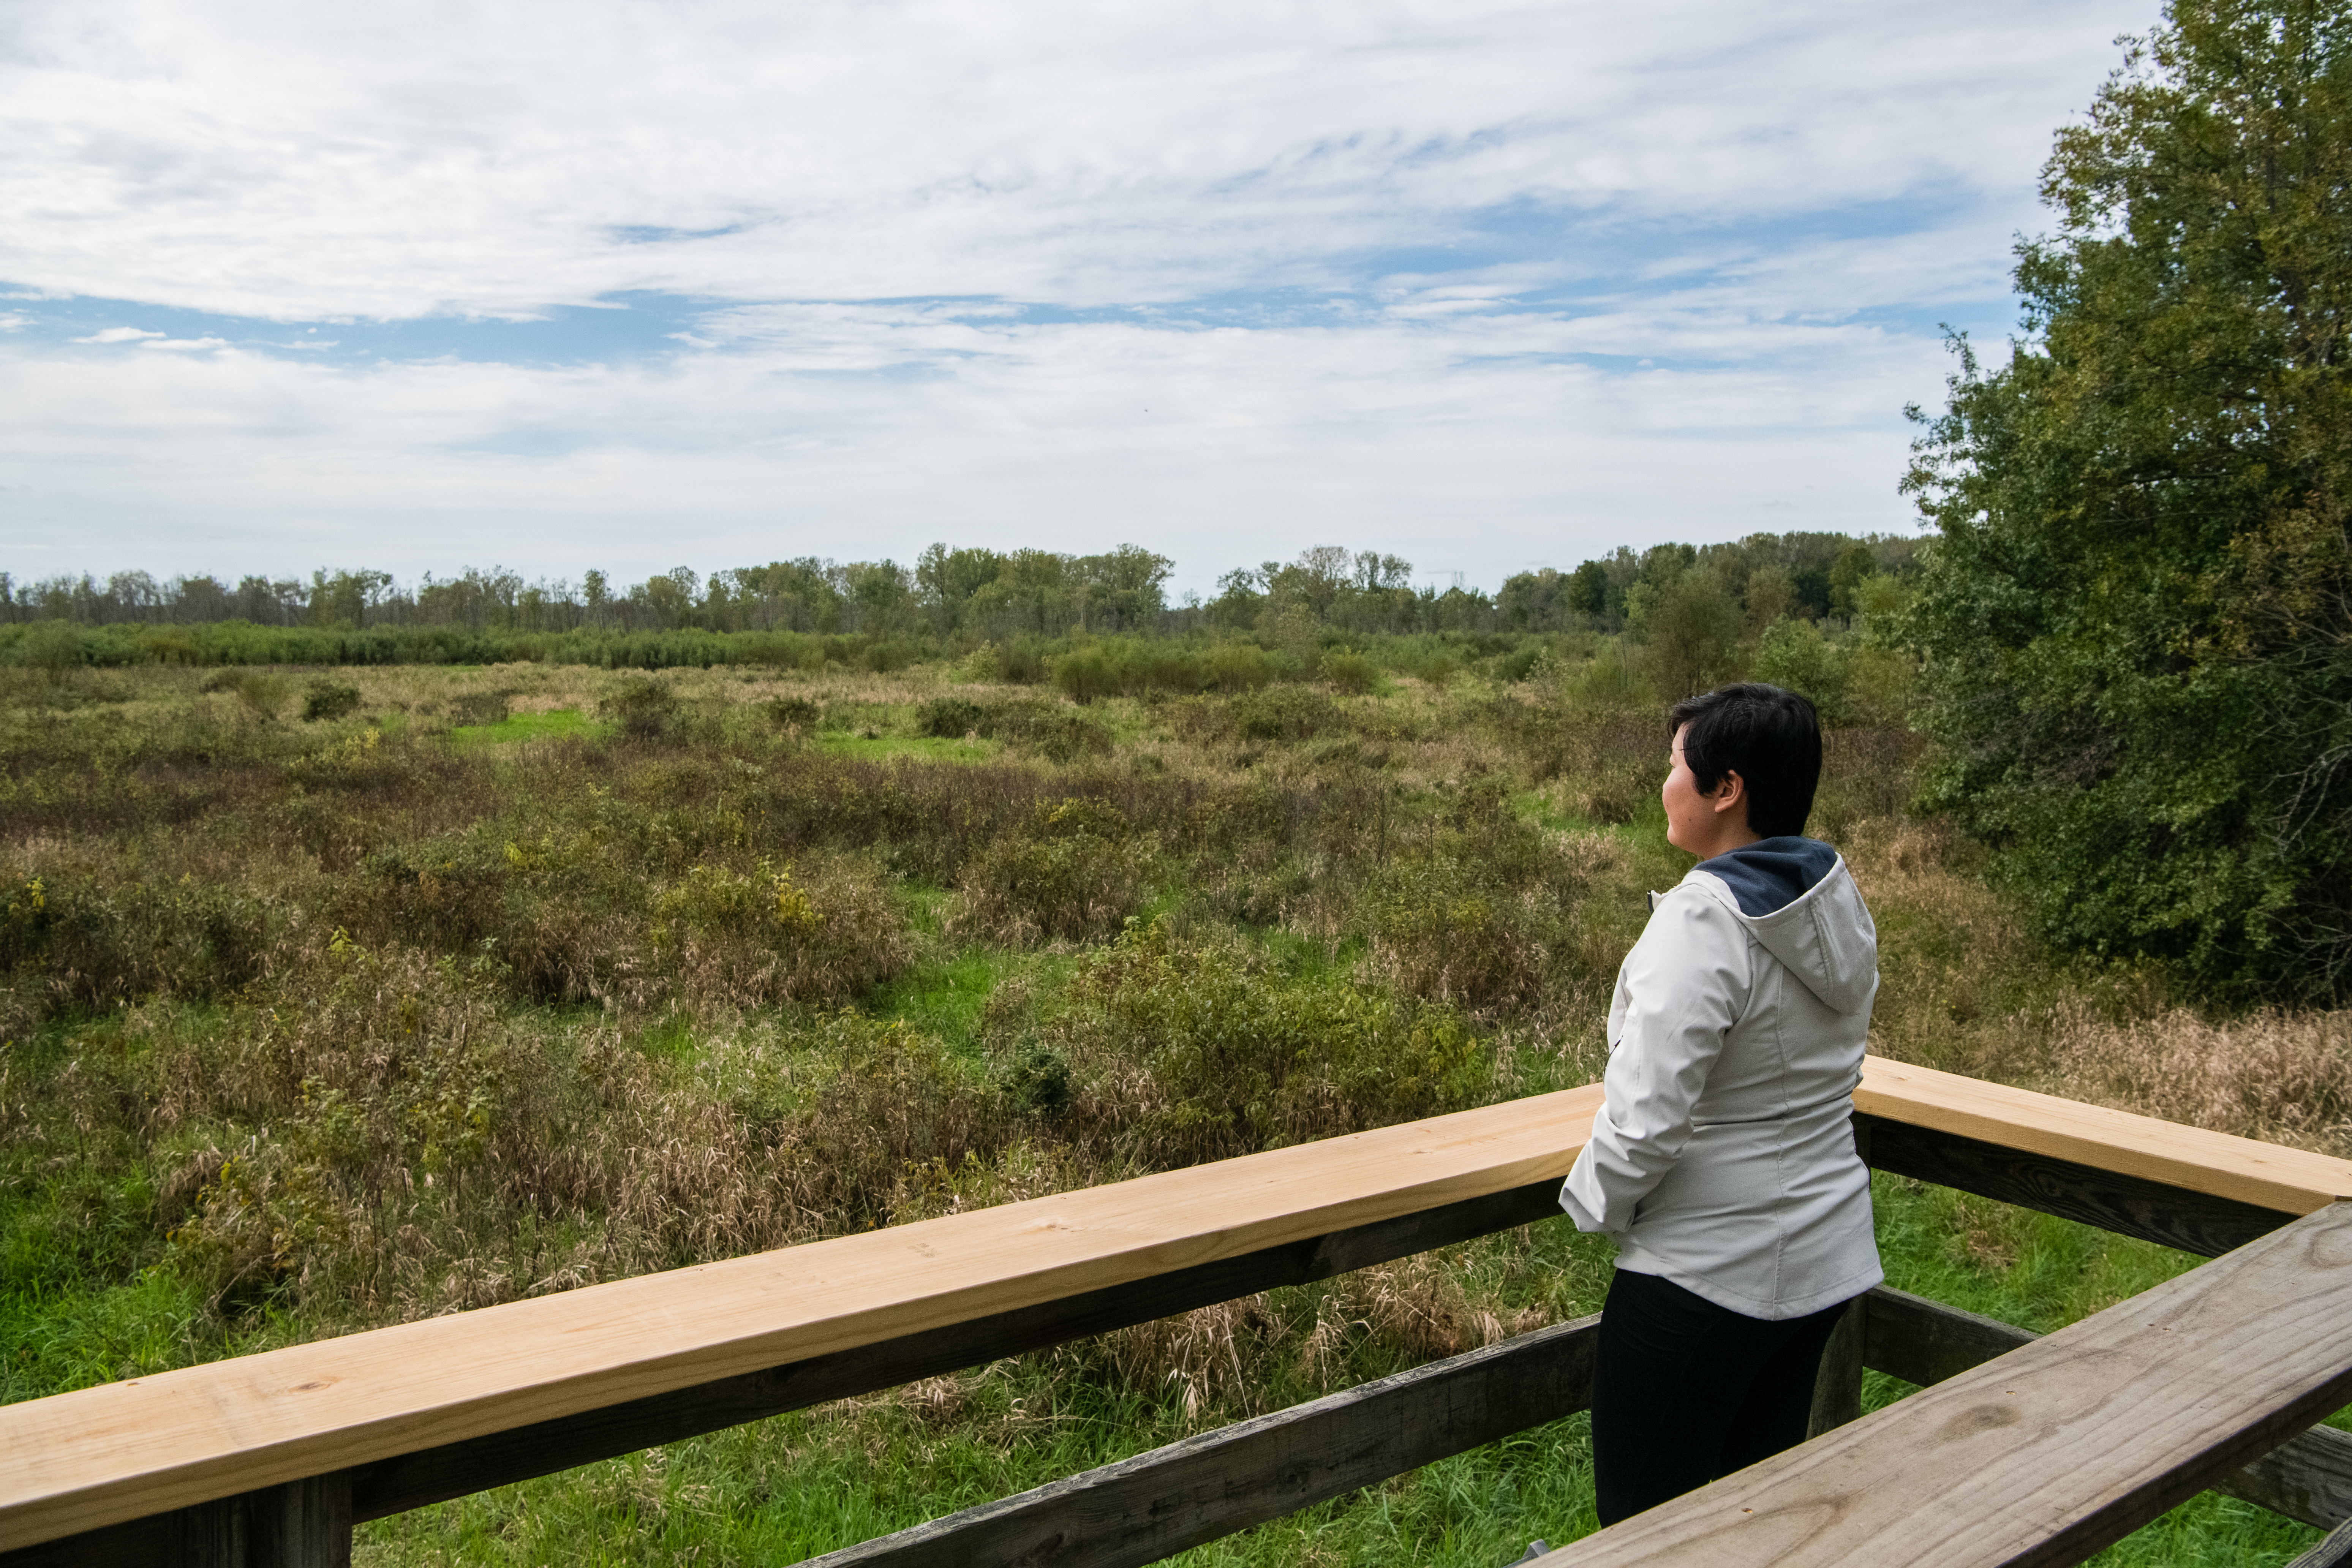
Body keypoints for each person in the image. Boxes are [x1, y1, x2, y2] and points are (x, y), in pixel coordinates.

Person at [1560, 682, 1882, 1526]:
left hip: (1702, 1274)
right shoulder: (1833, 900)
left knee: (1638, 1529)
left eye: (1674, 766)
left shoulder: (1705, 921)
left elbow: (1644, 1122)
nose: (1662, 784)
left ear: (1726, 788)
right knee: (1756, 1521)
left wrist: (1593, 1209)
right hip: (1821, 1256)